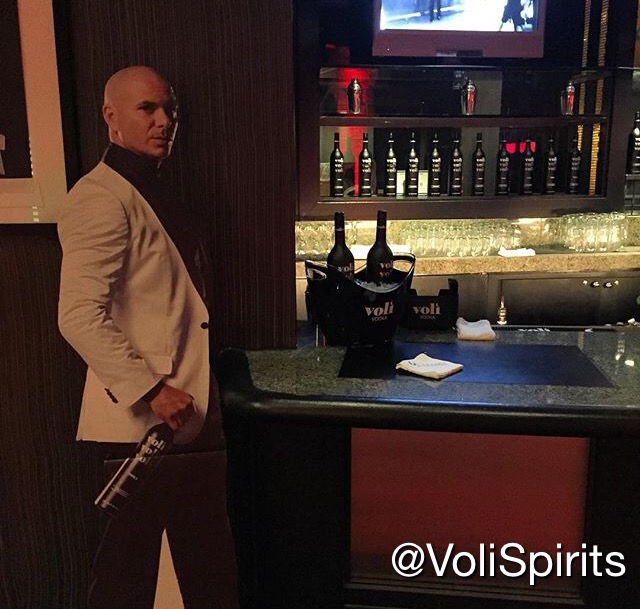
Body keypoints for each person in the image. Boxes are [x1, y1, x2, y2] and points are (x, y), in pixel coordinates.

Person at [58, 66, 239, 609]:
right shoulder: (100, 197)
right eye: (147, 109)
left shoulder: (150, 186)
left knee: (199, 575)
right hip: (143, 425)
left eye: (170, 110)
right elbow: (77, 314)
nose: (164, 121)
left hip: (183, 418)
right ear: (110, 116)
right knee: (130, 581)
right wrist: (153, 390)